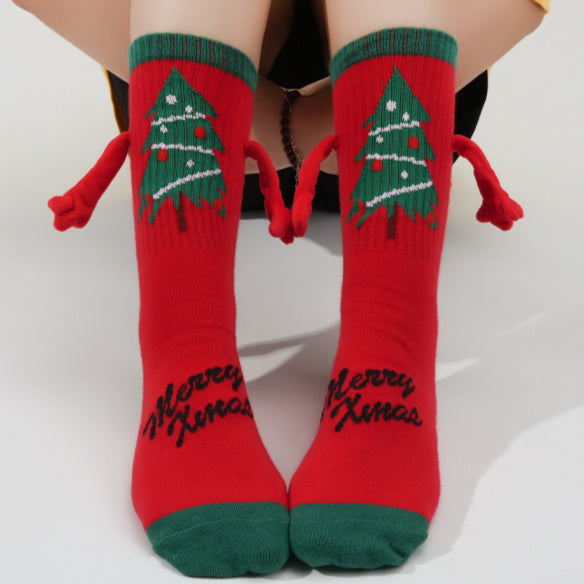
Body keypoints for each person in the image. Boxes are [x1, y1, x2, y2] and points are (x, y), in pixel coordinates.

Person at [13, 0, 548, 577]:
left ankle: (388, 357)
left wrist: (310, 123)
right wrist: (267, 120)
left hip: (395, 118)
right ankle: (186, 361)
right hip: (196, 120)